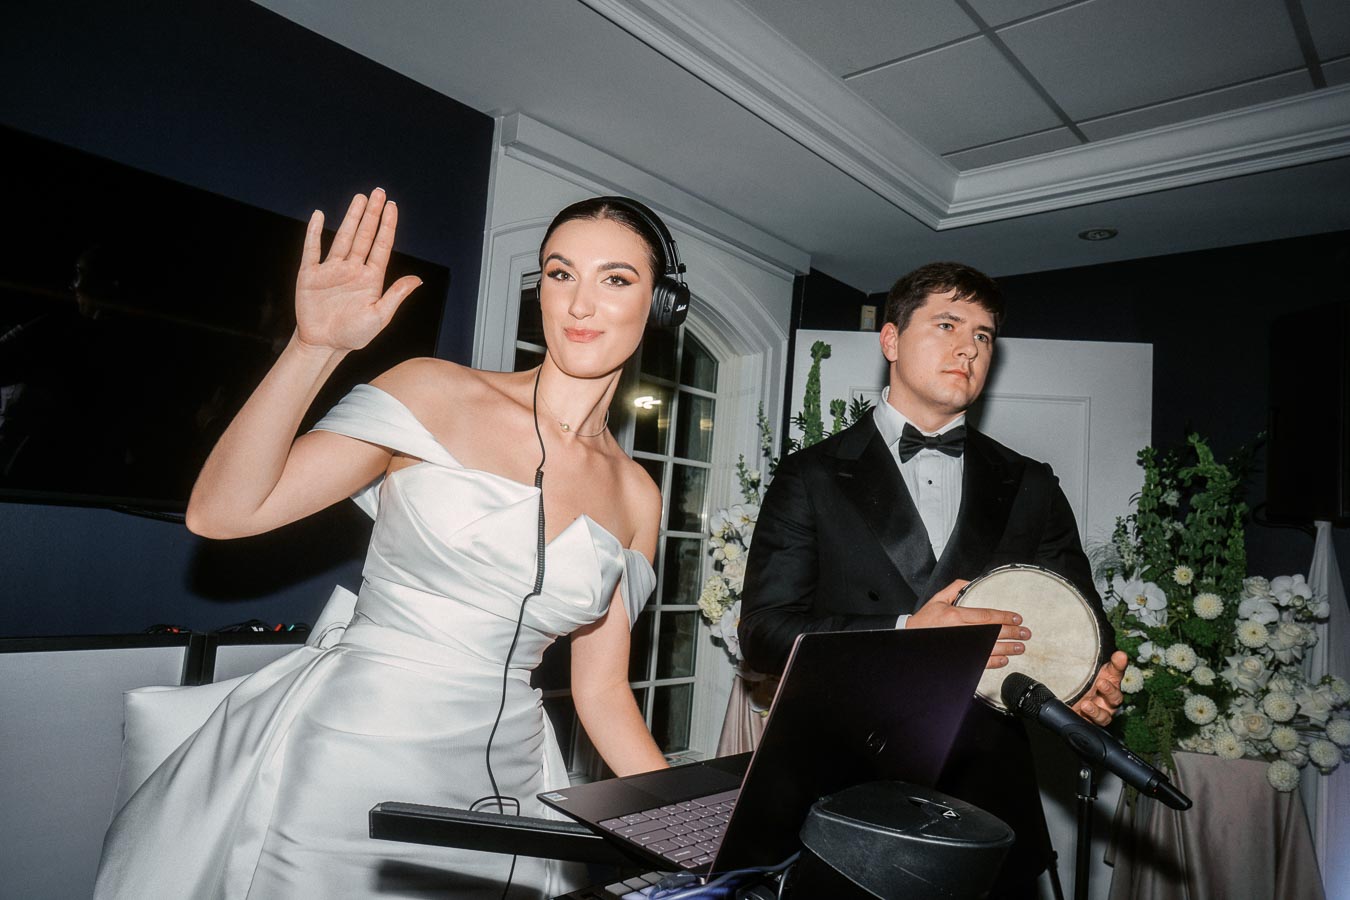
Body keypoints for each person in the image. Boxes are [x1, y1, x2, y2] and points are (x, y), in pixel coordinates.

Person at [94, 189, 679, 898]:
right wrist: (314, 348)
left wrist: (693, 827)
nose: (580, 304)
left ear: (659, 305)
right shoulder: (432, 391)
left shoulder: (638, 495)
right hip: (350, 750)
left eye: (614, 279)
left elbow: (603, 692)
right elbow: (222, 513)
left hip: (508, 785)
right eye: (560, 274)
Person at [738, 262, 1129, 899]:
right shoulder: (809, 476)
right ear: (890, 340)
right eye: (947, 324)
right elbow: (763, 633)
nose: (968, 347)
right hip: (847, 791)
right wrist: (905, 633)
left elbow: (1081, 619)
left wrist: (1089, 683)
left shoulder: (1030, 483)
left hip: (990, 797)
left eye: (983, 335)